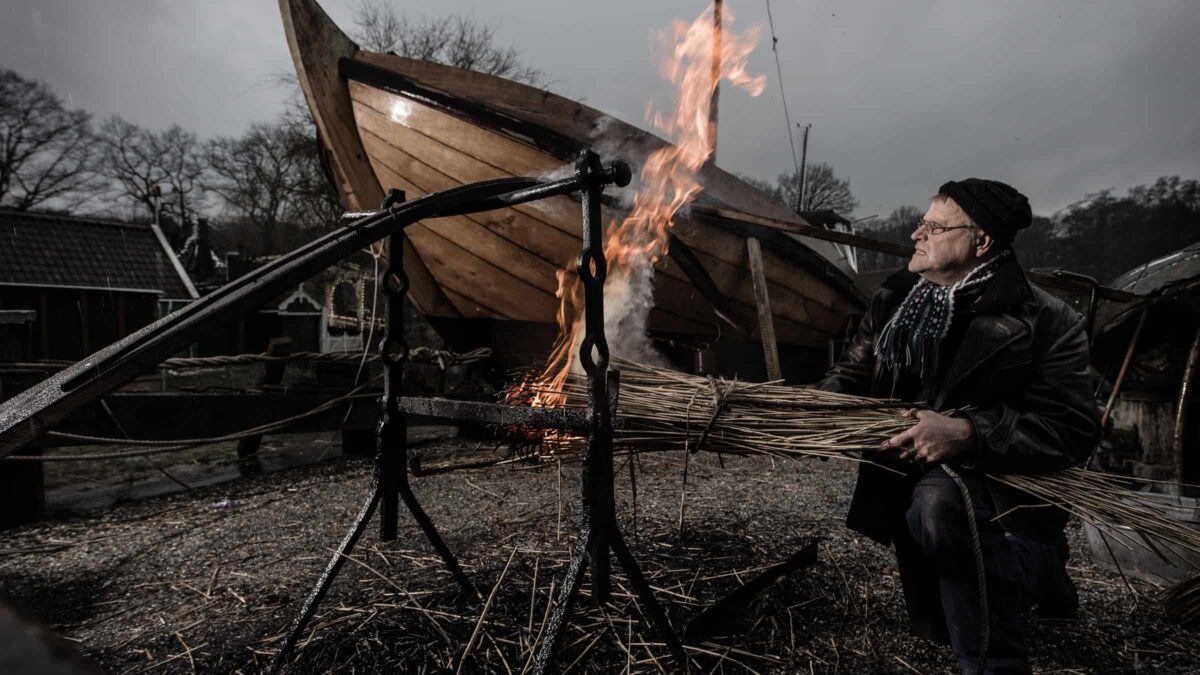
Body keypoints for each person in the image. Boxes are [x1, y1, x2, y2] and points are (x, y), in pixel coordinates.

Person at [819, 178, 1101, 674]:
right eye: (922, 223)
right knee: (933, 624)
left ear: (981, 242)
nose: (916, 235)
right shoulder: (895, 301)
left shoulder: (1047, 319)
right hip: (901, 469)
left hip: (992, 476)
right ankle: (1043, 569)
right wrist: (803, 412)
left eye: (933, 227)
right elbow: (852, 375)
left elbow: (1072, 429)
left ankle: (996, 661)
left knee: (940, 504)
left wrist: (967, 432)